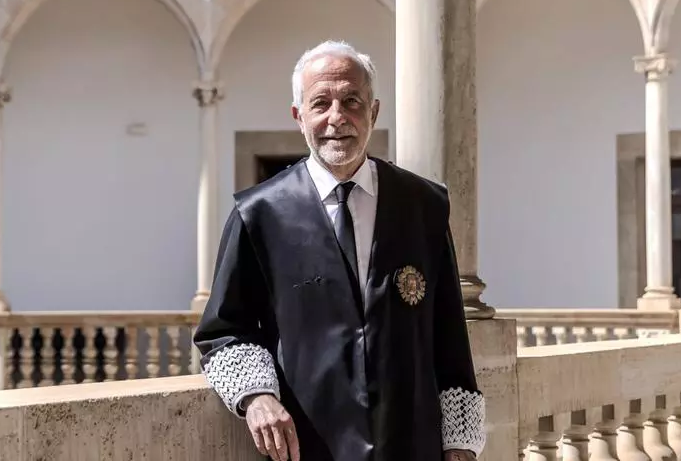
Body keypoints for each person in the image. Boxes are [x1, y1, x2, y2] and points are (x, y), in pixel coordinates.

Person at [192, 40, 486, 461]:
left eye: (351, 101)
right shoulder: (258, 213)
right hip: (308, 449)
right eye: (320, 103)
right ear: (299, 116)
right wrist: (256, 396)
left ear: (373, 112)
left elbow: (449, 332)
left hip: (412, 446)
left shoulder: (424, 205)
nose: (337, 117)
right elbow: (222, 330)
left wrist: (460, 442)